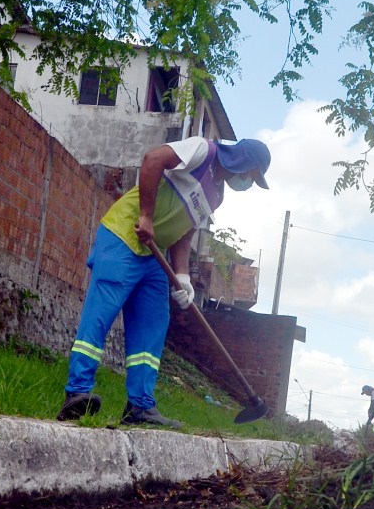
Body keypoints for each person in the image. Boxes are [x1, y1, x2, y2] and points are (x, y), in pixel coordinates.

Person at [57, 136, 271, 428]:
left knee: (152, 328)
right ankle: (77, 393)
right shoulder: (202, 150)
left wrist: (181, 275)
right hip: (124, 235)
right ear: (242, 162)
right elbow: (153, 160)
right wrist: (146, 215)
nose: (247, 182)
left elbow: (186, 230)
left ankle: (140, 406)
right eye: (251, 176)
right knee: (100, 316)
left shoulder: (216, 195)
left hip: (154, 257)